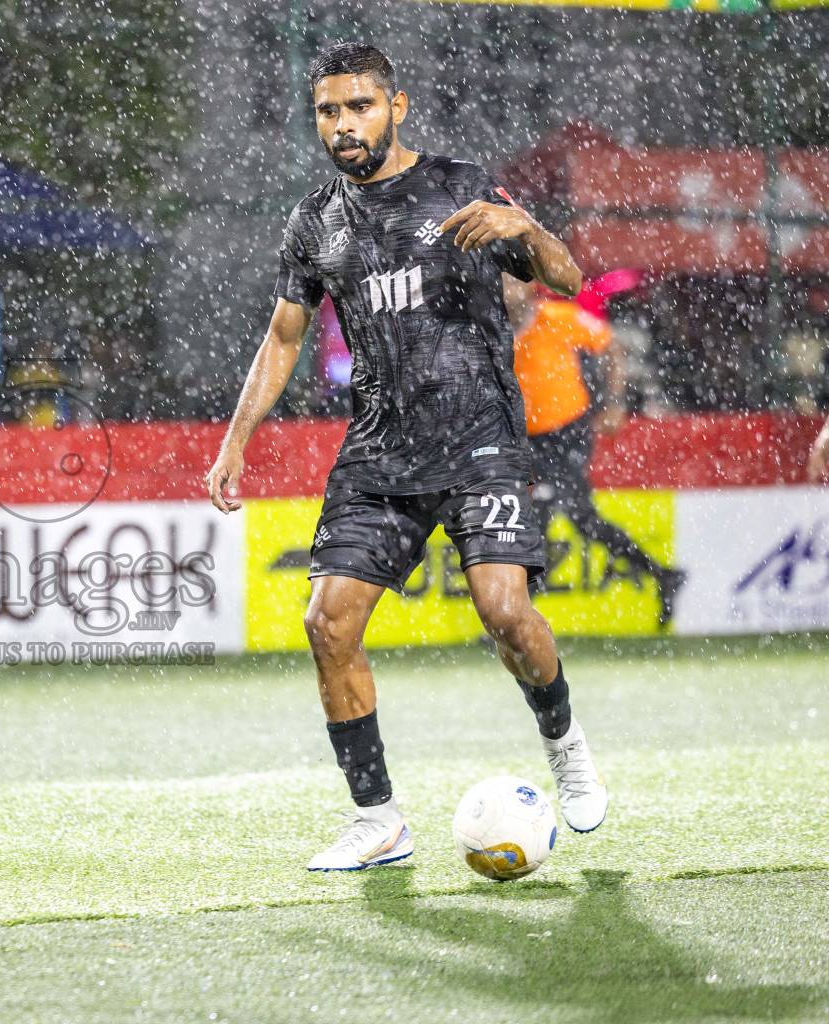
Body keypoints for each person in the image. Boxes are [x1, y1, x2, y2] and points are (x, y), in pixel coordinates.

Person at [205, 43, 607, 872]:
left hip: (480, 439)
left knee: (503, 611)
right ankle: (379, 820)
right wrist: (235, 439)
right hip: (380, 450)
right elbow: (284, 335)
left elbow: (566, 277)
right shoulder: (314, 221)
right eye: (329, 110)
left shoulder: (462, 185)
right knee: (327, 622)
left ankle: (565, 744)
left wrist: (525, 228)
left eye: (360, 106)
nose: (344, 124)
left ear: (399, 107)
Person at [503, 276, 687, 626]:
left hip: (566, 433)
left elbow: (611, 346)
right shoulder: (491, 326)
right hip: (526, 439)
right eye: (501, 281)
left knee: (541, 512)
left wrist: (615, 401)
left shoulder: (559, 317)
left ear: (530, 287)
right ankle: (662, 574)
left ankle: (520, 622)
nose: (505, 289)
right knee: (580, 519)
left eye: (513, 282)